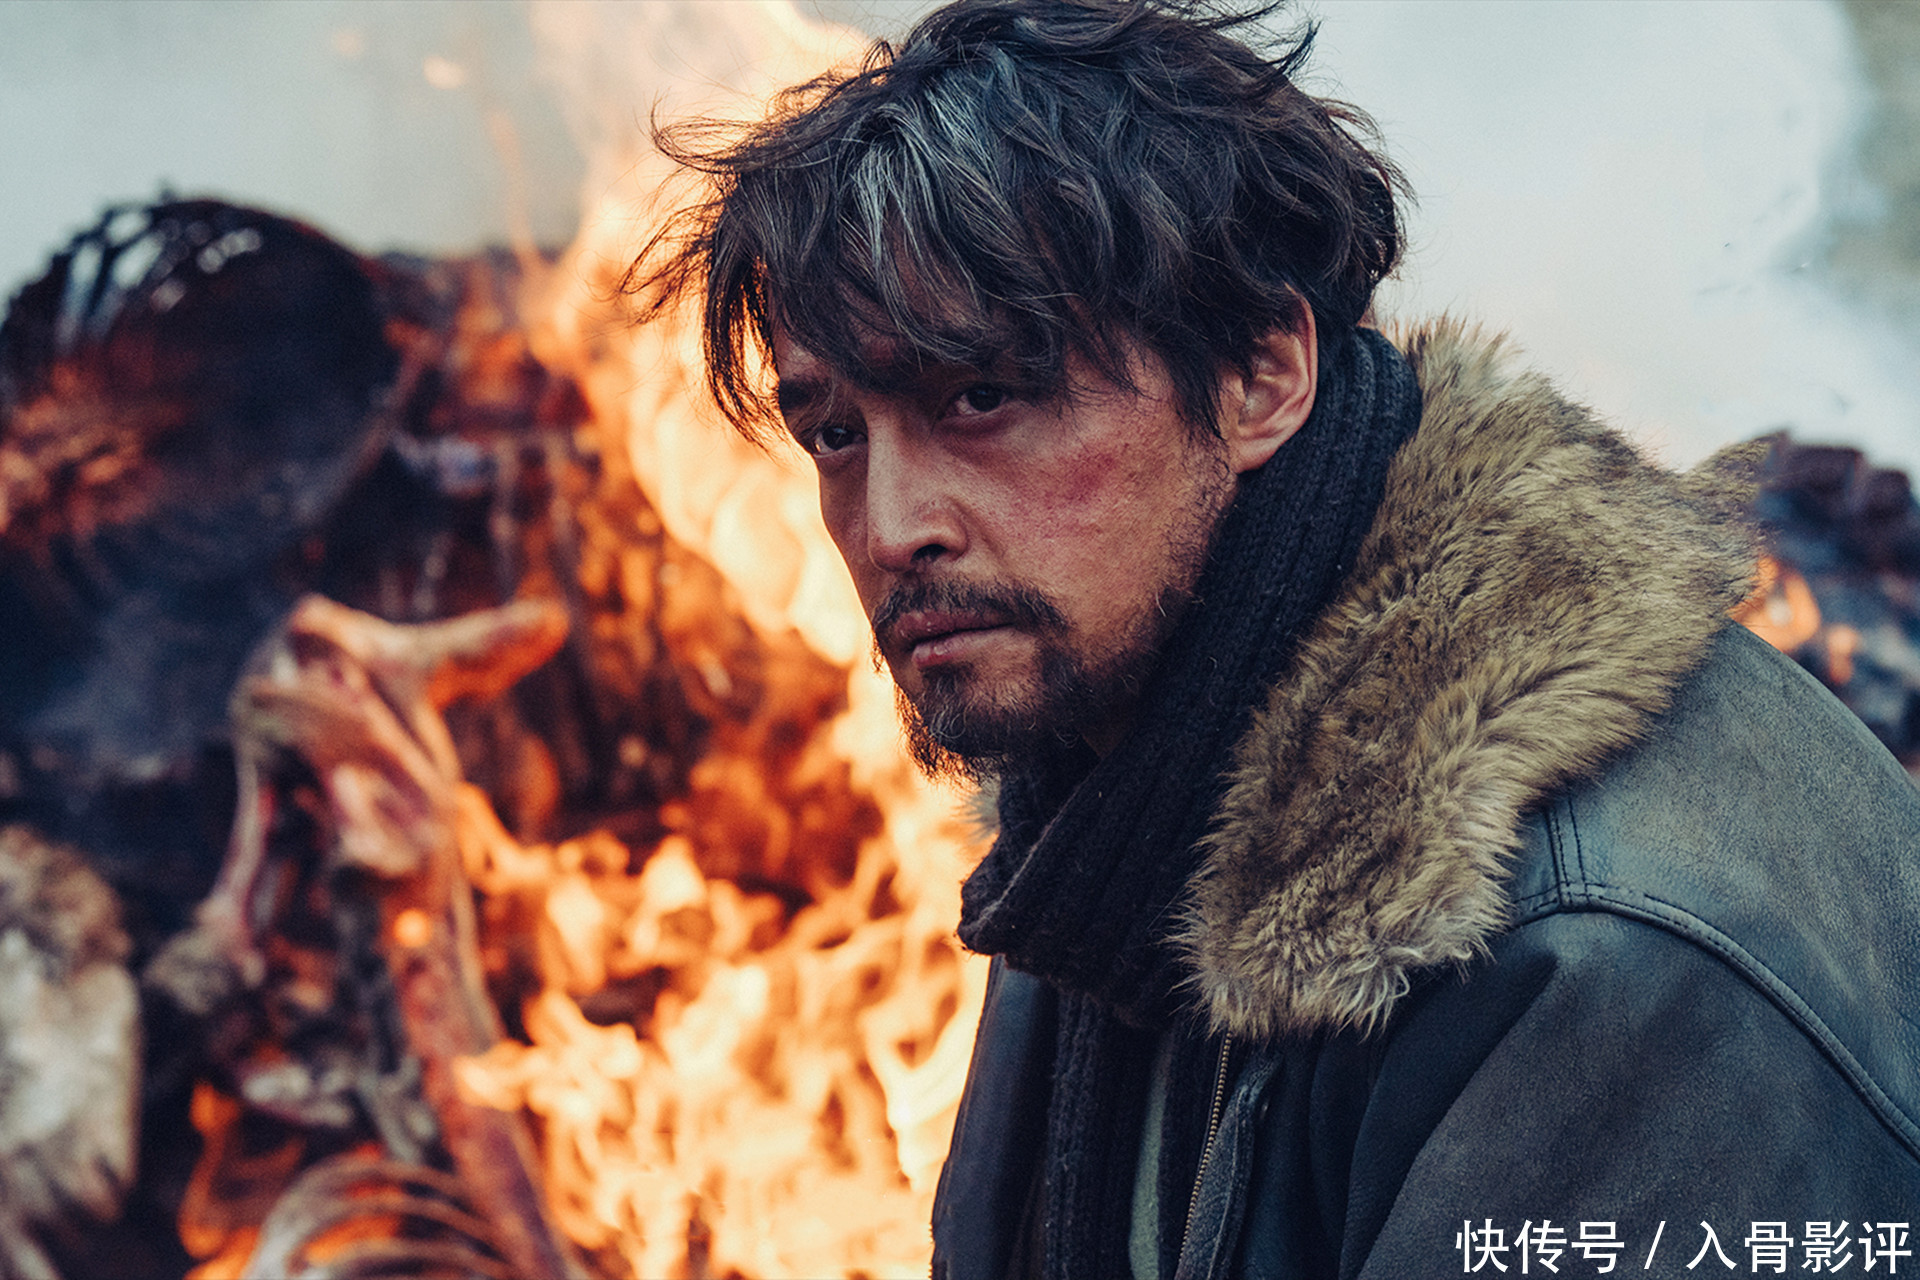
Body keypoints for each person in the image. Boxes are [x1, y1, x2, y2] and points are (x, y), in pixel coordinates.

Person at [637, 1, 1920, 1276]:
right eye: (836, 433)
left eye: (982, 394)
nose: (892, 525)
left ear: (1261, 377)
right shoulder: (1109, 808)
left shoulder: (1600, 953)